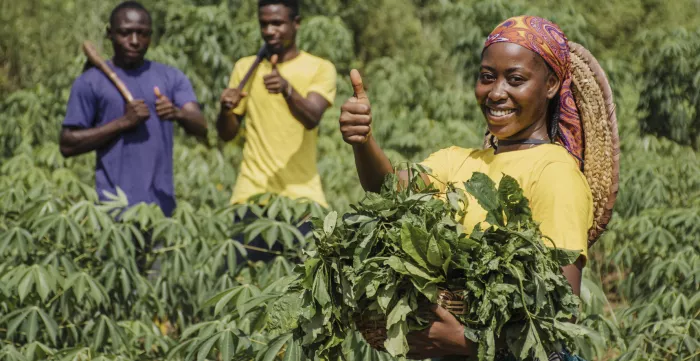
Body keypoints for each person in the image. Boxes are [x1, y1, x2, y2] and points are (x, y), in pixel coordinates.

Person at [339, 16, 592, 359]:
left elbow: (559, 316)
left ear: (550, 85)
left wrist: (465, 343)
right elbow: (388, 190)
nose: (496, 92)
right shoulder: (457, 161)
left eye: (515, 79)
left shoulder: (554, 171)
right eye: (487, 77)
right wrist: (363, 140)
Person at [60, 1, 207, 219]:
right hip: (112, 211)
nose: (135, 41)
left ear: (151, 35)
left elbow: (201, 126)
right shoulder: (90, 82)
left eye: (142, 34)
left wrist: (178, 113)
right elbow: (67, 144)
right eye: (125, 33)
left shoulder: (170, 77)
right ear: (110, 34)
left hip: (161, 211)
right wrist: (123, 123)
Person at [217, 0, 336, 261]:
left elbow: (312, 117)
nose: (270, 30)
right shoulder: (245, 68)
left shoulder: (319, 68)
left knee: (304, 290)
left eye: (277, 23)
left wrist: (287, 89)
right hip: (251, 195)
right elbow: (227, 134)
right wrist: (225, 109)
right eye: (264, 24)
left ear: (296, 23)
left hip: (303, 197)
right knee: (245, 284)